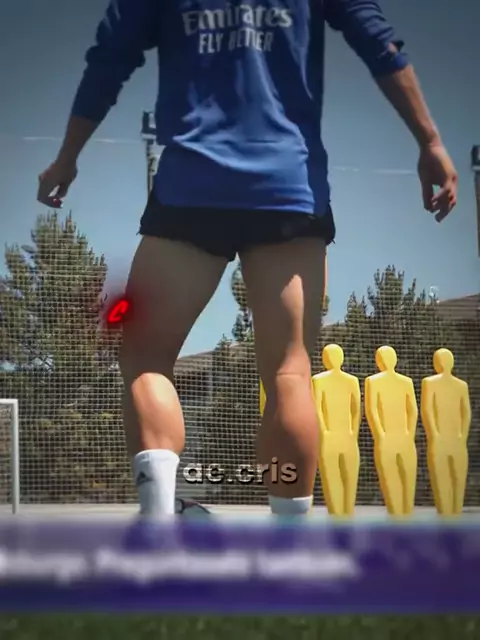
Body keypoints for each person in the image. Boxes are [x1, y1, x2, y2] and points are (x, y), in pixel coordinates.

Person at [37, 0, 457, 519]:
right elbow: (379, 41)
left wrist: (68, 156)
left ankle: (159, 520)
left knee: (146, 357)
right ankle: (289, 539)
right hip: (288, 187)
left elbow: (109, 58)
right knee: (289, 372)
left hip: (192, 186)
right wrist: (429, 141)